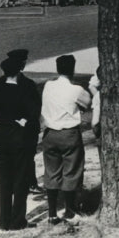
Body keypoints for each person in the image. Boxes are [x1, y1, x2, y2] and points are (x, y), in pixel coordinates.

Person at [0, 56, 42, 230]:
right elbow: (35, 111)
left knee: (5, 182)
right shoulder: (24, 91)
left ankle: (3, 221)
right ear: (19, 71)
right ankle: (17, 220)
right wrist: (26, 120)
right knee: (20, 181)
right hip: (20, 139)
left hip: (2, 139)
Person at [40, 54, 92, 226]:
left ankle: (52, 213)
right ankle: (70, 210)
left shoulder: (48, 86)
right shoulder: (76, 89)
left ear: (57, 69)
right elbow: (87, 104)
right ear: (73, 69)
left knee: (51, 171)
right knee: (71, 171)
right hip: (69, 133)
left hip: (50, 133)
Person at [6, 48, 43, 194]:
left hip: (11, 126)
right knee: (28, 157)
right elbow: (36, 107)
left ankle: (18, 182)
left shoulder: (3, 81)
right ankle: (31, 183)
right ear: (21, 65)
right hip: (27, 126)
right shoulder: (29, 84)